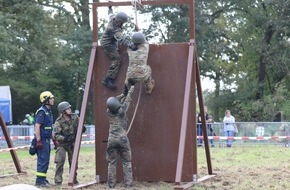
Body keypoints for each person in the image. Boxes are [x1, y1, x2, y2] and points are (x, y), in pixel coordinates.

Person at [100, 6, 137, 89]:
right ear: (120, 21)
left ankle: (108, 79)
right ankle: (108, 79)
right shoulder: (113, 29)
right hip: (108, 44)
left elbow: (110, 14)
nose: (123, 24)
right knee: (117, 60)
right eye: (122, 22)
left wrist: (109, 8)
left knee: (117, 51)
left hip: (111, 41)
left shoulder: (113, 19)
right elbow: (121, 39)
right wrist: (131, 45)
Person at [106, 86, 134, 188]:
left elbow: (113, 102)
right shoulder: (122, 111)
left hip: (111, 139)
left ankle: (111, 185)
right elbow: (128, 101)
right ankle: (128, 184)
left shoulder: (108, 112)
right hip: (122, 139)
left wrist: (122, 94)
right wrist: (130, 91)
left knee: (111, 163)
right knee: (126, 161)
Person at [53, 101, 86, 186]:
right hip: (62, 145)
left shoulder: (75, 117)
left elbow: (80, 125)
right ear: (63, 111)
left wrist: (82, 128)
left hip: (72, 144)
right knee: (60, 161)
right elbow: (56, 135)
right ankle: (58, 181)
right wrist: (64, 138)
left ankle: (74, 180)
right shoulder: (58, 121)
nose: (70, 109)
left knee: (74, 162)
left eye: (69, 108)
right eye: (67, 108)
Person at [34, 91, 58, 188]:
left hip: (47, 140)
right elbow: (37, 126)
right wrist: (39, 140)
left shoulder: (49, 112)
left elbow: (49, 128)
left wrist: (54, 140)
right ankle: (39, 181)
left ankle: (43, 179)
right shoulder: (41, 112)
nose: (53, 100)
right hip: (42, 140)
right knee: (43, 160)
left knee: (46, 160)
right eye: (51, 98)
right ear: (45, 100)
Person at [121, 32, 155, 96]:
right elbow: (145, 41)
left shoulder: (129, 50)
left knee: (128, 76)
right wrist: (139, 30)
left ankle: (125, 92)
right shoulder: (145, 47)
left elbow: (129, 45)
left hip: (131, 76)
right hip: (143, 75)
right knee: (148, 68)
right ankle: (149, 87)